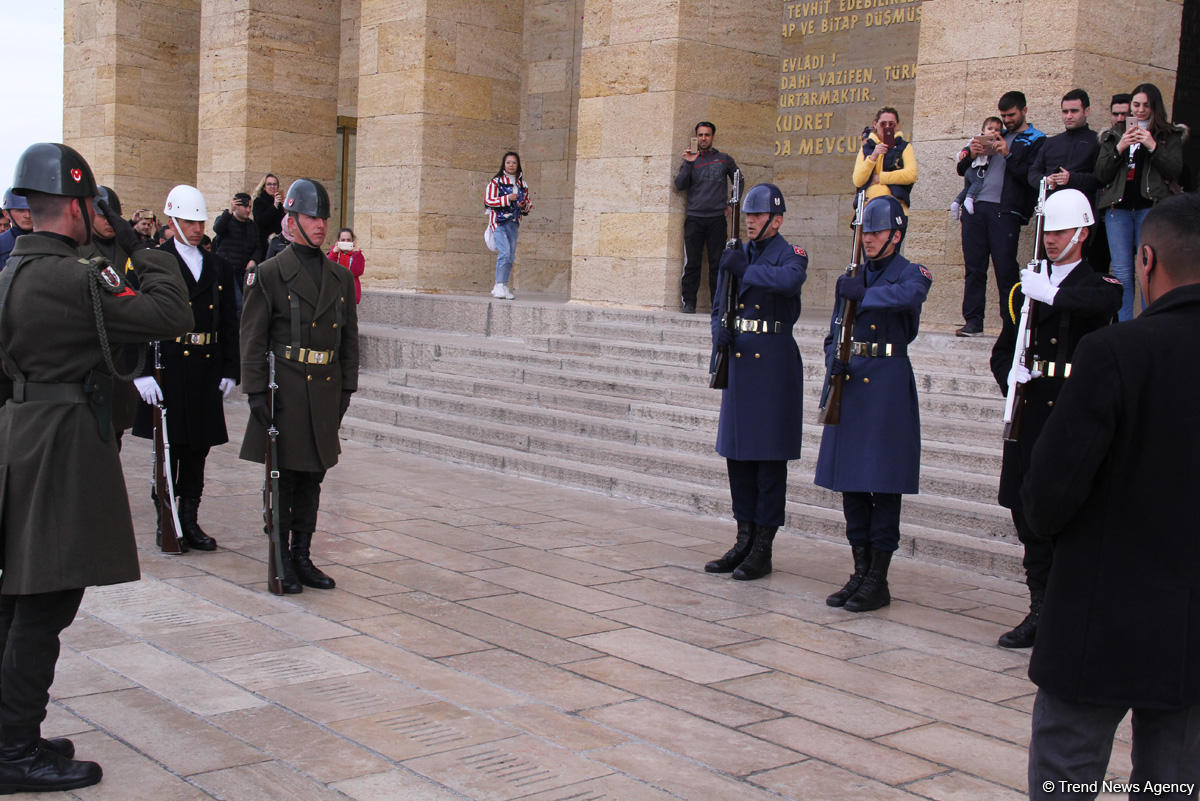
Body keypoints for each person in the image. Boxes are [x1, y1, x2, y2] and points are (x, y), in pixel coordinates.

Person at [0, 142, 190, 793]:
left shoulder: (10, 274)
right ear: (78, 208)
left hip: (18, 441)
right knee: (47, 601)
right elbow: (170, 312)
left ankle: (9, 727)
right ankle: (15, 747)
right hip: (62, 450)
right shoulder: (81, 277)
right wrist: (153, 249)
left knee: (16, 596)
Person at [1022, 192, 1200, 799]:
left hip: (1101, 619)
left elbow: (1045, 499)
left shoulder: (1115, 353)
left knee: (1067, 780)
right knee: (1173, 786)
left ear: (1145, 260)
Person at [988, 188, 1121, 649]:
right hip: (1030, 411)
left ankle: (1070, 610)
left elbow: (1103, 304)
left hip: (1070, 412)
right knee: (1028, 513)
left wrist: (1055, 295)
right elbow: (1003, 349)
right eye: (1048, 230)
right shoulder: (1027, 287)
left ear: (1082, 234)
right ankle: (1040, 607)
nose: (1050, 239)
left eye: (1061, 231)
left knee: (1068, 514)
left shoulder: (1097, 285)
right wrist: (1013, 378)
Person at [240, 179, 358, 594]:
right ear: (291, 221)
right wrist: (255, 391)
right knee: (286, 479)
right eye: (311, 216)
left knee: (314, 478)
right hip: (286, 389)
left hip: (325, 389)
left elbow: (348, 340)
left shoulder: (340, 278)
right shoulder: (270, 275)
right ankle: (282, 559)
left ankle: (303, 555)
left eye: (324, 217)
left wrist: (347, 391)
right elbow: (252, 338)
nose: (321, 224)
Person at [815, 195, 932, 613]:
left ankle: (878, 578)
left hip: (886, 384)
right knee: (852, 484)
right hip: (853, 382)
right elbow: (834, 329)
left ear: (895, 236)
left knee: (883, 485)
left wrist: (863, 293)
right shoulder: (854, 274)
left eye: (877, 232)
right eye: (865, 231)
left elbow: (909, 296)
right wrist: (834, 361)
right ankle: (860, 570)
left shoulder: (910, 271)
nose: (868, 239)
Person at [703, 183, 806, 582]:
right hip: (740, 361)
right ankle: (743, 537)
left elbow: (787, 283)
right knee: (738, 455)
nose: (750, 221)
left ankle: (763, 545)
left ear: (776, 220)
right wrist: (719, 334)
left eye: (758, 216)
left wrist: (745, 269)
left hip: (773, 363)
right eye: (747, 215)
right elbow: (719, 304)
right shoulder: (736, 253)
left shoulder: (791, 254)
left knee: (767, 460)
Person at [130, 185, 240, 552]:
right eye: (189, 222)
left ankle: (189, 518)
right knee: (169, 446)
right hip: (169, 366)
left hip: (205, 367)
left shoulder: (217, 265)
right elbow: (134, 318)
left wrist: (230, 368)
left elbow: (228, 321)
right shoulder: (151, 260)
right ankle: (168, 518)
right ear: (172, 220)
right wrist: (140, 371)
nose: (197, 229)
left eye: (200, 221)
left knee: (198, 449)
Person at [956, 91, 1045, 337]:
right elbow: (962, 168)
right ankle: (973, 321)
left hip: (1005, 211)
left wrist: (1009, 154)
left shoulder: (1036, 139)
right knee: (974, 267)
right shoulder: (995, 132)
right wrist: (972, 153)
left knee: (1005, 268)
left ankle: (1013, 324)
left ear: (1024, 110)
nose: (1007, 121)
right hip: (975, 208)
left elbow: (1032, 176)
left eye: (1011, 115)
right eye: (1004, 116)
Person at [1095, 82, 1185, 321]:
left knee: (1149, 270)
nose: (1141, 110)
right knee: (1122, 272)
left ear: (1155, 107)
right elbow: (1101, 174)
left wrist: (1152, 145)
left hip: (1151, 207)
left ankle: (1149, 323)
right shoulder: (1113, 133)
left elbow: (1175, 169)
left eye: (1146, 105)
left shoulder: (1168, 134)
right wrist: (1121, 147)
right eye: (1136, 105)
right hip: (1119, 208)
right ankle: (1125, 327)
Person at [78, 185, 139, 446]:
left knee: (115, 436)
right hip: (90, 357)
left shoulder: (128, 249)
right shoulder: (78, 249)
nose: (110, 221)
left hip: (121, 359)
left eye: (114, 214)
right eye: (103, 215)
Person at [674, 121, 739, 313]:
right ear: (696, 137)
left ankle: (717, 305)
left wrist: (731, 204)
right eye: (700, 135)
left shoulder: (724, 159)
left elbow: (739, 179)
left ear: (713, 137)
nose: (703, 138)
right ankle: (689, 303)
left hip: (717, 218)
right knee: (692, 262)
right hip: (694, 217)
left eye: (707, 135)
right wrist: (688, 162)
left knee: (717, 263)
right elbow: (679, 184)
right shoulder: (691, 160)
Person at [1029, 89, 1100, 205]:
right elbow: (1033, 173)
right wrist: (1046, 180)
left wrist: (1071, 179)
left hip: (1082, 209)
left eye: (1074, 111)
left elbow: (1101, 179)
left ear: (1087, 111)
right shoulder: (1050, 142)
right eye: (1065, 111)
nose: (1069, 116)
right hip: (1051, 207)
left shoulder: (1097, 141)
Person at [484, 151, 531, 301]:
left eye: (514, 162)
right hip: (498, 222)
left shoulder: (522, 184)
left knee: (510, 255)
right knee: (504, 252)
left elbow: (528, 205)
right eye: (508, 162)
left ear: (518, 165)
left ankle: (504, 285)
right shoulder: (496, 182)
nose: (511, 165)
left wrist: (523, 205)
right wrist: (507, 198)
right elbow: (488, 201)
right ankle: (498, 285)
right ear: (504, 164)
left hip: (514, 223)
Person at [851, 106, 918, 212]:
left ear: (897, 126)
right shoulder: (867, 148)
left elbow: (911, 175)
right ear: (875, 124)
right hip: (868, 208)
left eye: (891, 124)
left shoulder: (904, 147)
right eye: (883, 124)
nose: (887, 127)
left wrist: (880, 178)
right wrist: (873, 156)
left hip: (894, 208)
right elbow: (858, 180)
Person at [212, 192, 259, 310]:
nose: (248, 210)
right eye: (245, 207)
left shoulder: (252, 226)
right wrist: (228, 211)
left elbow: (258, 246)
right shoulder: (226, 220)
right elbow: (218, 228)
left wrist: (254, 260)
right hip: (227, 271)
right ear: (237, 206)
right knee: (237, 305)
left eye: (250, 207)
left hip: (244, 272)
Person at [951, 116, 1004, 218]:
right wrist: (967, 153)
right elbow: (967, 148)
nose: (993, 132)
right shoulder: (977, 139)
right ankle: (969, 199)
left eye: (997, 130)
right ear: (983, 130)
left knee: (967, 188)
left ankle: (956, 203)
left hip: (974, 170)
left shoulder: (999, 142)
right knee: (978, 183)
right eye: (990, 129)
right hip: (976, 169)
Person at [251, 173, 285, 262]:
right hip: (264, 244)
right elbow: (260, 220)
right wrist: (274, 206)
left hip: (277, 244)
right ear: (264, 187)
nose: (272, 186)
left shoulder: (279, 203)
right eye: (269, 184)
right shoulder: (259, 201)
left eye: (274, 184)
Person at [327, 227, 365, 304]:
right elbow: (328, 270)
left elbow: (358, 272)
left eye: (348, 240)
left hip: (350, 292)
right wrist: (334, 254)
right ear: (338, 241)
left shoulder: (357, 255)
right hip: (335, 292)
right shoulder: (333, 253)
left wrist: (356, 254)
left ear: (353, 241)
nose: (346, 242)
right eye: (343, 240)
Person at [0, 189, 32, 270]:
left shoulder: (52, 241)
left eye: (31, 210)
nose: (27, 215)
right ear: (6, 214)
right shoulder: (1, 245)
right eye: (20, 210)